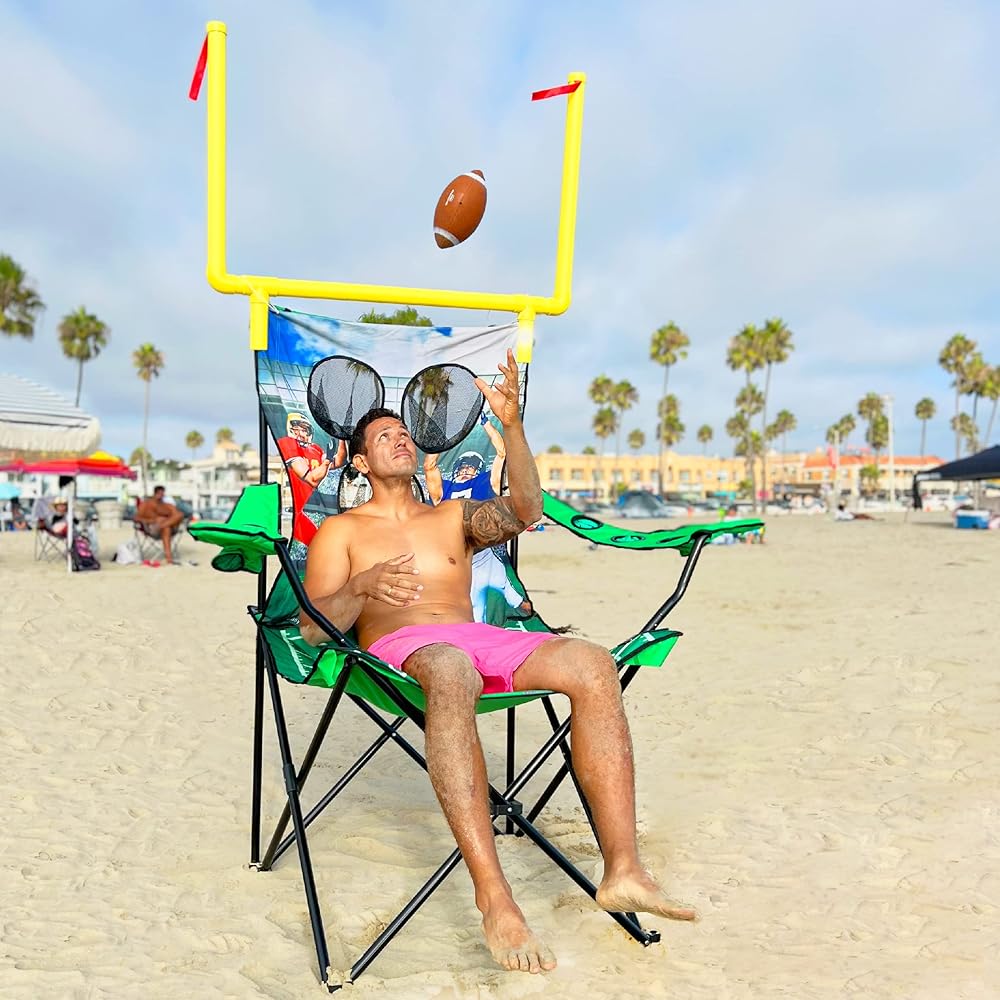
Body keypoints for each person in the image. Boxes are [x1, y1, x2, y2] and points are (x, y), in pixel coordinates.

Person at [300, 350, 695, 976]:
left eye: (403, 431)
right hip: (402, 650)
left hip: (477, 637)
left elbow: (527, 511)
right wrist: (362, 586)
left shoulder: (451, 517)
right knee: (451, 669)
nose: (400, 438)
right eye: (383, 436)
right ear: (359, 461)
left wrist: (511, 426)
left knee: (593, 663)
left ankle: (623, 869)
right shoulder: (341, 532)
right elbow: (313, 626)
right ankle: (494, 896)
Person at [424, 415, 532, 622]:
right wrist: (444, 434)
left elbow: (502, 452)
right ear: (456, 469)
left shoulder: (486, 481)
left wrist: (486, 424)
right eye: (463, 466)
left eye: (471, 467)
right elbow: (430, 465)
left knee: (491, 590)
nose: (467, 469)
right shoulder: (445, 488)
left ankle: (516, 604)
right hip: (452, 554)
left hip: (483, 553)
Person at [276, 412, 347, 544]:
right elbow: (311, 479)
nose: (300, 433)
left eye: (304, 430)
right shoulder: (288, 443)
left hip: (311, 509)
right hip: (299, 511)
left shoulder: (315, 449)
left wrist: (341, 437)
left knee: (323, 546)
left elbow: (339, 461)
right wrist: (327, 461)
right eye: (297, 429)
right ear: (290, 429)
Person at [136, 486, 184, 563]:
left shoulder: (166, 505)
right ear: (155, 493)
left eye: (162, 494)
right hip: (151, 528)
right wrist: (153, 520)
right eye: (159, 493)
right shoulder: (146, 504)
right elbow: (136, 518)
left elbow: (177, 515)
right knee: (166, 528)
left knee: (179, 515)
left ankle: (161, 526)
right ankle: (169, 558)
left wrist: (163, 521)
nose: (161, 495)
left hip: (165, 527)